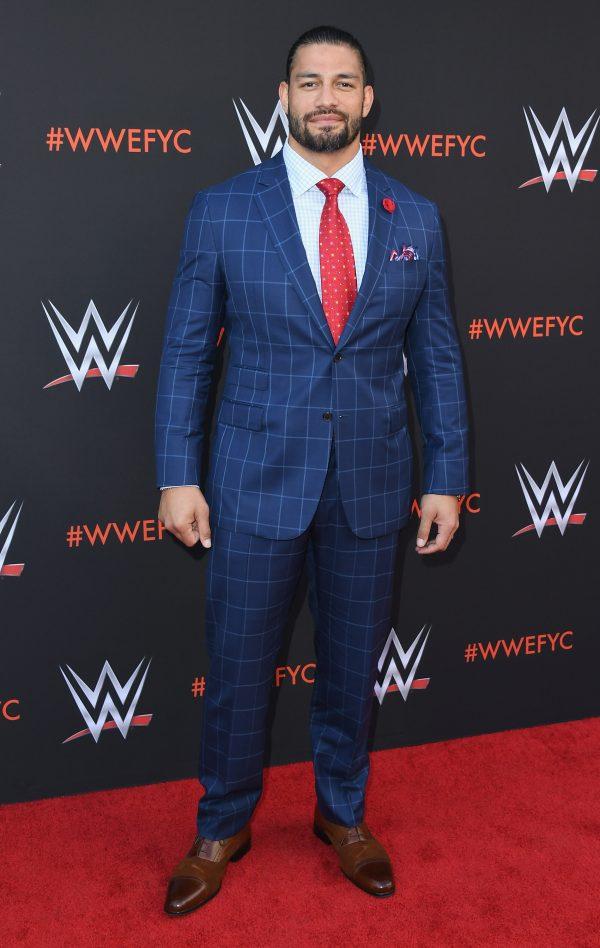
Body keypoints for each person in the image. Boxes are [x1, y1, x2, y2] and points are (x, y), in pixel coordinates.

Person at [154, 24, 469, 916]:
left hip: (373, 482)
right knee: (240, 665)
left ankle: (343, 815)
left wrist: (446, 474)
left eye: (343, 82)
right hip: (254, 481)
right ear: (284, 97)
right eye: (308, 81)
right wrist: (178, 473)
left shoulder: (418, 217)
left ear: (368, 100)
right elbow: (184, 353)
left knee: (350, 669)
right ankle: (222, 823)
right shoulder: (223, 209)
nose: (325, 96)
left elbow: (438, 357)